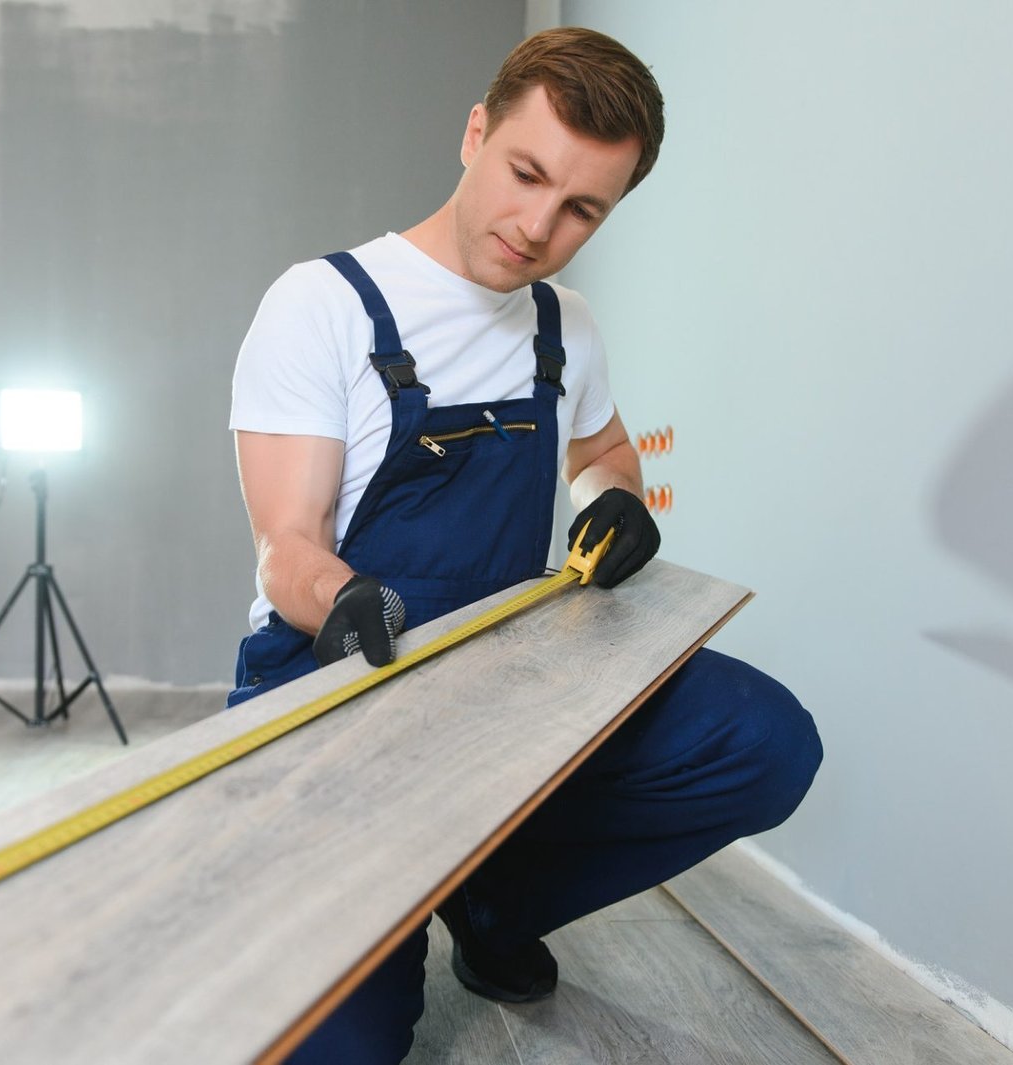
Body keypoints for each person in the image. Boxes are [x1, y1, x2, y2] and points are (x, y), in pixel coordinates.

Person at [227, 26, 823, 1064]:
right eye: (526, 174)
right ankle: (407, 886)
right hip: (338, 690)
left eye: (581, 207)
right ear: (474, 134)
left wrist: (617, 499)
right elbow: (288, 549)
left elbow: (604, 453)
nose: (538, 225)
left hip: (504, 677)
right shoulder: (321, 306)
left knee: (763, 742)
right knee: (340, 1052)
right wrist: (351, 603)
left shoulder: (565, 324)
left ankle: (492, 895)